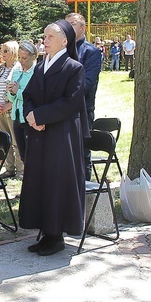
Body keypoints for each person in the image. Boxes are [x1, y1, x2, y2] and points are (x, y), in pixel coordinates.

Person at [19, 19, 86, 256]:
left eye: (49, 37)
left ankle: (56, 235)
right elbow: (28, 94)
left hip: (60, 135)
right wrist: (30, 114)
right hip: (39, 133)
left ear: (64, 41)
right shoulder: (40, 66)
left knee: (56, 183)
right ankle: (46, 232)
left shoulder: (73, 67)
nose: (44, 41)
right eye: (44, 37)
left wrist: (39, 116)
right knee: (41, 181)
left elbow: (71, 103)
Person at [66, 12, 103, 179]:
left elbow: (87, 83)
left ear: (83, 27)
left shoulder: (91, 52)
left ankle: (84, 191)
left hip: (82, 110)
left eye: (72, 24)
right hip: (60, 111)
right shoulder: (60, 51)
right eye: (66, 24)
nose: (68, 28)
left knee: (82, 153)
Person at [0, 41, 22, 178]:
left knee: (16, 141)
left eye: (5, 51)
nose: (2, 54)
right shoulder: (0, 68)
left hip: (12, 110)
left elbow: (20, 89)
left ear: (13, 52)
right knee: (6, 140)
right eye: (2, 50)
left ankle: (21, 170)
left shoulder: (18, 68)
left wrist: (8, 105)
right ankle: (10, 168)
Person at [6, 40, 37, 168]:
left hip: (29, 119)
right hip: (16, 117)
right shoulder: (17, 71)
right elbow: (11, 98)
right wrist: (12, 93)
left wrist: (17, 91)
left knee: (32, 155)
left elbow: (33, 96)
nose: (21, 61)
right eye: (19, 57)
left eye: (24, 58)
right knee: (22, 153)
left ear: (33, 57)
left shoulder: (36, 73)